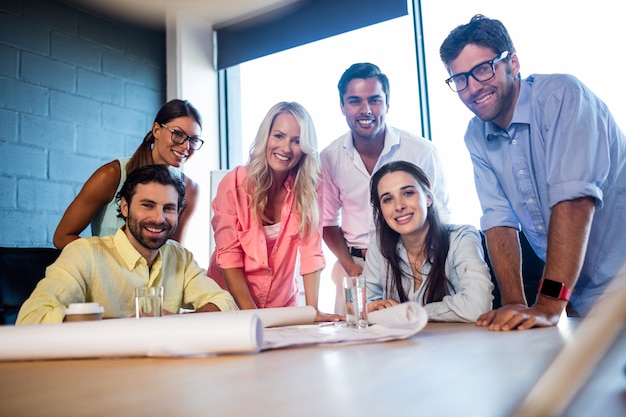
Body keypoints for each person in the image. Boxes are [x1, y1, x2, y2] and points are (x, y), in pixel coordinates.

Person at [439, 14, 626, 330]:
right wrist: (514, 303)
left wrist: (549, 305)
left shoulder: (562, 96)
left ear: (512, 62)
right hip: (580, 295)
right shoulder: (476, 135)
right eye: (460, 79)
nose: (472, 88)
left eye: (483, 69)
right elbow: (499, 221)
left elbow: (574, 203)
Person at [17, 164, 237, 325]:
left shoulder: (180, 257)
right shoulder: (84, 254)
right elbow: (32, 318)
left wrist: (175, 322)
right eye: (147, 205)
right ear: (124, 208)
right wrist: (126, 326)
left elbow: (225, 304)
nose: (159, 218)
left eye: (168, 208)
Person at [321, 62, 450, 314]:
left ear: (388, 104)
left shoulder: (421, 150)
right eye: (355, 101)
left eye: (375, 100)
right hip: (354, 266)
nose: (366, 110)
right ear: (342, 106)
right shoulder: (329, 158)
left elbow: (441, 213)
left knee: (419, 338)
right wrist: (350, 266)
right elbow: (327, 222)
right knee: (352, 339)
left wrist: (421, 264)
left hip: (410, 261)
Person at [207, 102, 339, 322]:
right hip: (229, 303)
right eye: (278, 136)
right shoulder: (233, 184)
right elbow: (229, 258)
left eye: (296, 141)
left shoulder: (310, 188)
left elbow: (311, 252)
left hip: (282, 305)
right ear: (265, 137)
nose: (286, 148)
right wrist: (253, 317)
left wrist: (312, 310)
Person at [53, 99, 204, 249]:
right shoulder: (112, 175)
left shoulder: (190, 189)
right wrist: (109, 264)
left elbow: (172, 252)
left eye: (194, 140)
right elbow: (62, 237)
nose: (186, 146)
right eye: (177, 134)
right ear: (156, 130)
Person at [365, 161, 493, 322]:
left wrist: (411, 312)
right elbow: (360, 305)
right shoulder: (378, 244)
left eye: (408, 193)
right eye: (388, 199)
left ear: (428, 198)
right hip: (401, 344)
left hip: (458, 343)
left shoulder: (461, 237)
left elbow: (477, 307)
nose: (399, 206)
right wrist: (373, 307)